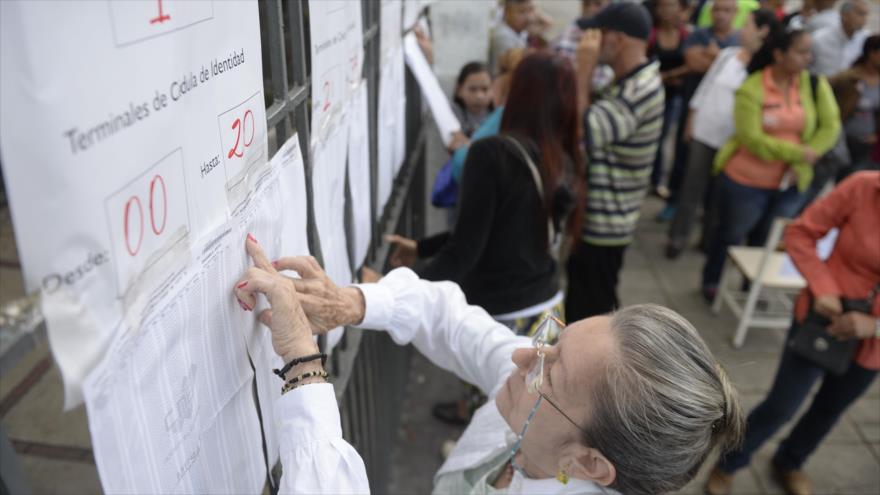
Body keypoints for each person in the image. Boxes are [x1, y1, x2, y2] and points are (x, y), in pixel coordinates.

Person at [232, 237, 746, 495]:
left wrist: (302, 362)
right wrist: (353, 303)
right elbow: (452, 321)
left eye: (551, 370)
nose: (524, 355)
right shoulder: (544, 408)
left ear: (589, 464)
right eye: (554, 339)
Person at [705, 171, 880, 495]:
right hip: (823, 317)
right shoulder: (864, 186)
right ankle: (729, 462)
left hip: (873, 346)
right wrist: (823, 288)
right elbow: (801, 232)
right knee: (782, 404)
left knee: (829, 409)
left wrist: (874, 326)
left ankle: (791, 461)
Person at [700, 27, 841, 302]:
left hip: (790, 182)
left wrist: (811, 151)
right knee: (731, 234)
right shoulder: (752, 87)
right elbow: (752, 139)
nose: (807, 59)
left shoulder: (813, 85)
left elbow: (830, 125)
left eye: (809, 53)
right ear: (778, 54)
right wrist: (799, 152)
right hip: (746, 180)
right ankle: (712, 279)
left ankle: (748, 287)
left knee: (766, 240)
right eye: (801, 52)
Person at [565, 2, 665, 322]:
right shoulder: (625, 81)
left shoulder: (640, 88)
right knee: (585, 296)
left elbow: (584, 131)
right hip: (599, 217)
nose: (590, 42)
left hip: (607, 223)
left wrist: (583, 72)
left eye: (598, 34)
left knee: (591, 310)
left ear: (618, 39)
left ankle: (594, 369)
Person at [665, 9, 778, 259]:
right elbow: (706, 88)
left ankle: (707, 241)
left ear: (763, 31)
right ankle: (677, 238)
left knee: (718, 197)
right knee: (691, 189)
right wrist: (691, 120)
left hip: (731, 142)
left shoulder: (763, 70)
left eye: (748, 25)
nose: (742, 29)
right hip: (704, 133)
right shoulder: (727, 56)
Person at [657, 0, 741, 222]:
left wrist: (712, 57)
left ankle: (702, 208)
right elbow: (693, 63)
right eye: (717, 10)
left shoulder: (738, 41)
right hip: (692, 105)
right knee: (682, 157)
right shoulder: (698, 35)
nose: (721, 15)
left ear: (735, 13)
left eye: (727, 10)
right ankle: (674, 200)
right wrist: (720, 59)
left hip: (720, 114)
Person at [647, 0, 691, 196]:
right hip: (651, 94)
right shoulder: (651, 33)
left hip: (674, 96)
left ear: (681, 9)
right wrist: (671, 76)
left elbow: (692, 64)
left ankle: (658, 179)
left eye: (671, 5)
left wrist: (667, 76)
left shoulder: (686, 34)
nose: (666, 10)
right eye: (662, 5)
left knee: (664, 137)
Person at [829, 34, 880, 176]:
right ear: (872, 52)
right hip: (845, 139)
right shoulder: (850, 77)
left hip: (868, 143)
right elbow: (824, 88)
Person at [810, 0, 870, 76]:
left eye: (866, 15)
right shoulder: (818, 39)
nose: (864, 19)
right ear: (844, 15)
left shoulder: (866, 40)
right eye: (860, 14)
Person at [489, 0, 535, 76]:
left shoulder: (520, 32)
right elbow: (515, 70)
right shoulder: (503, 35)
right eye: (521, 12)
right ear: (507, 13)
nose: (528, 17)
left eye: (530, 10)